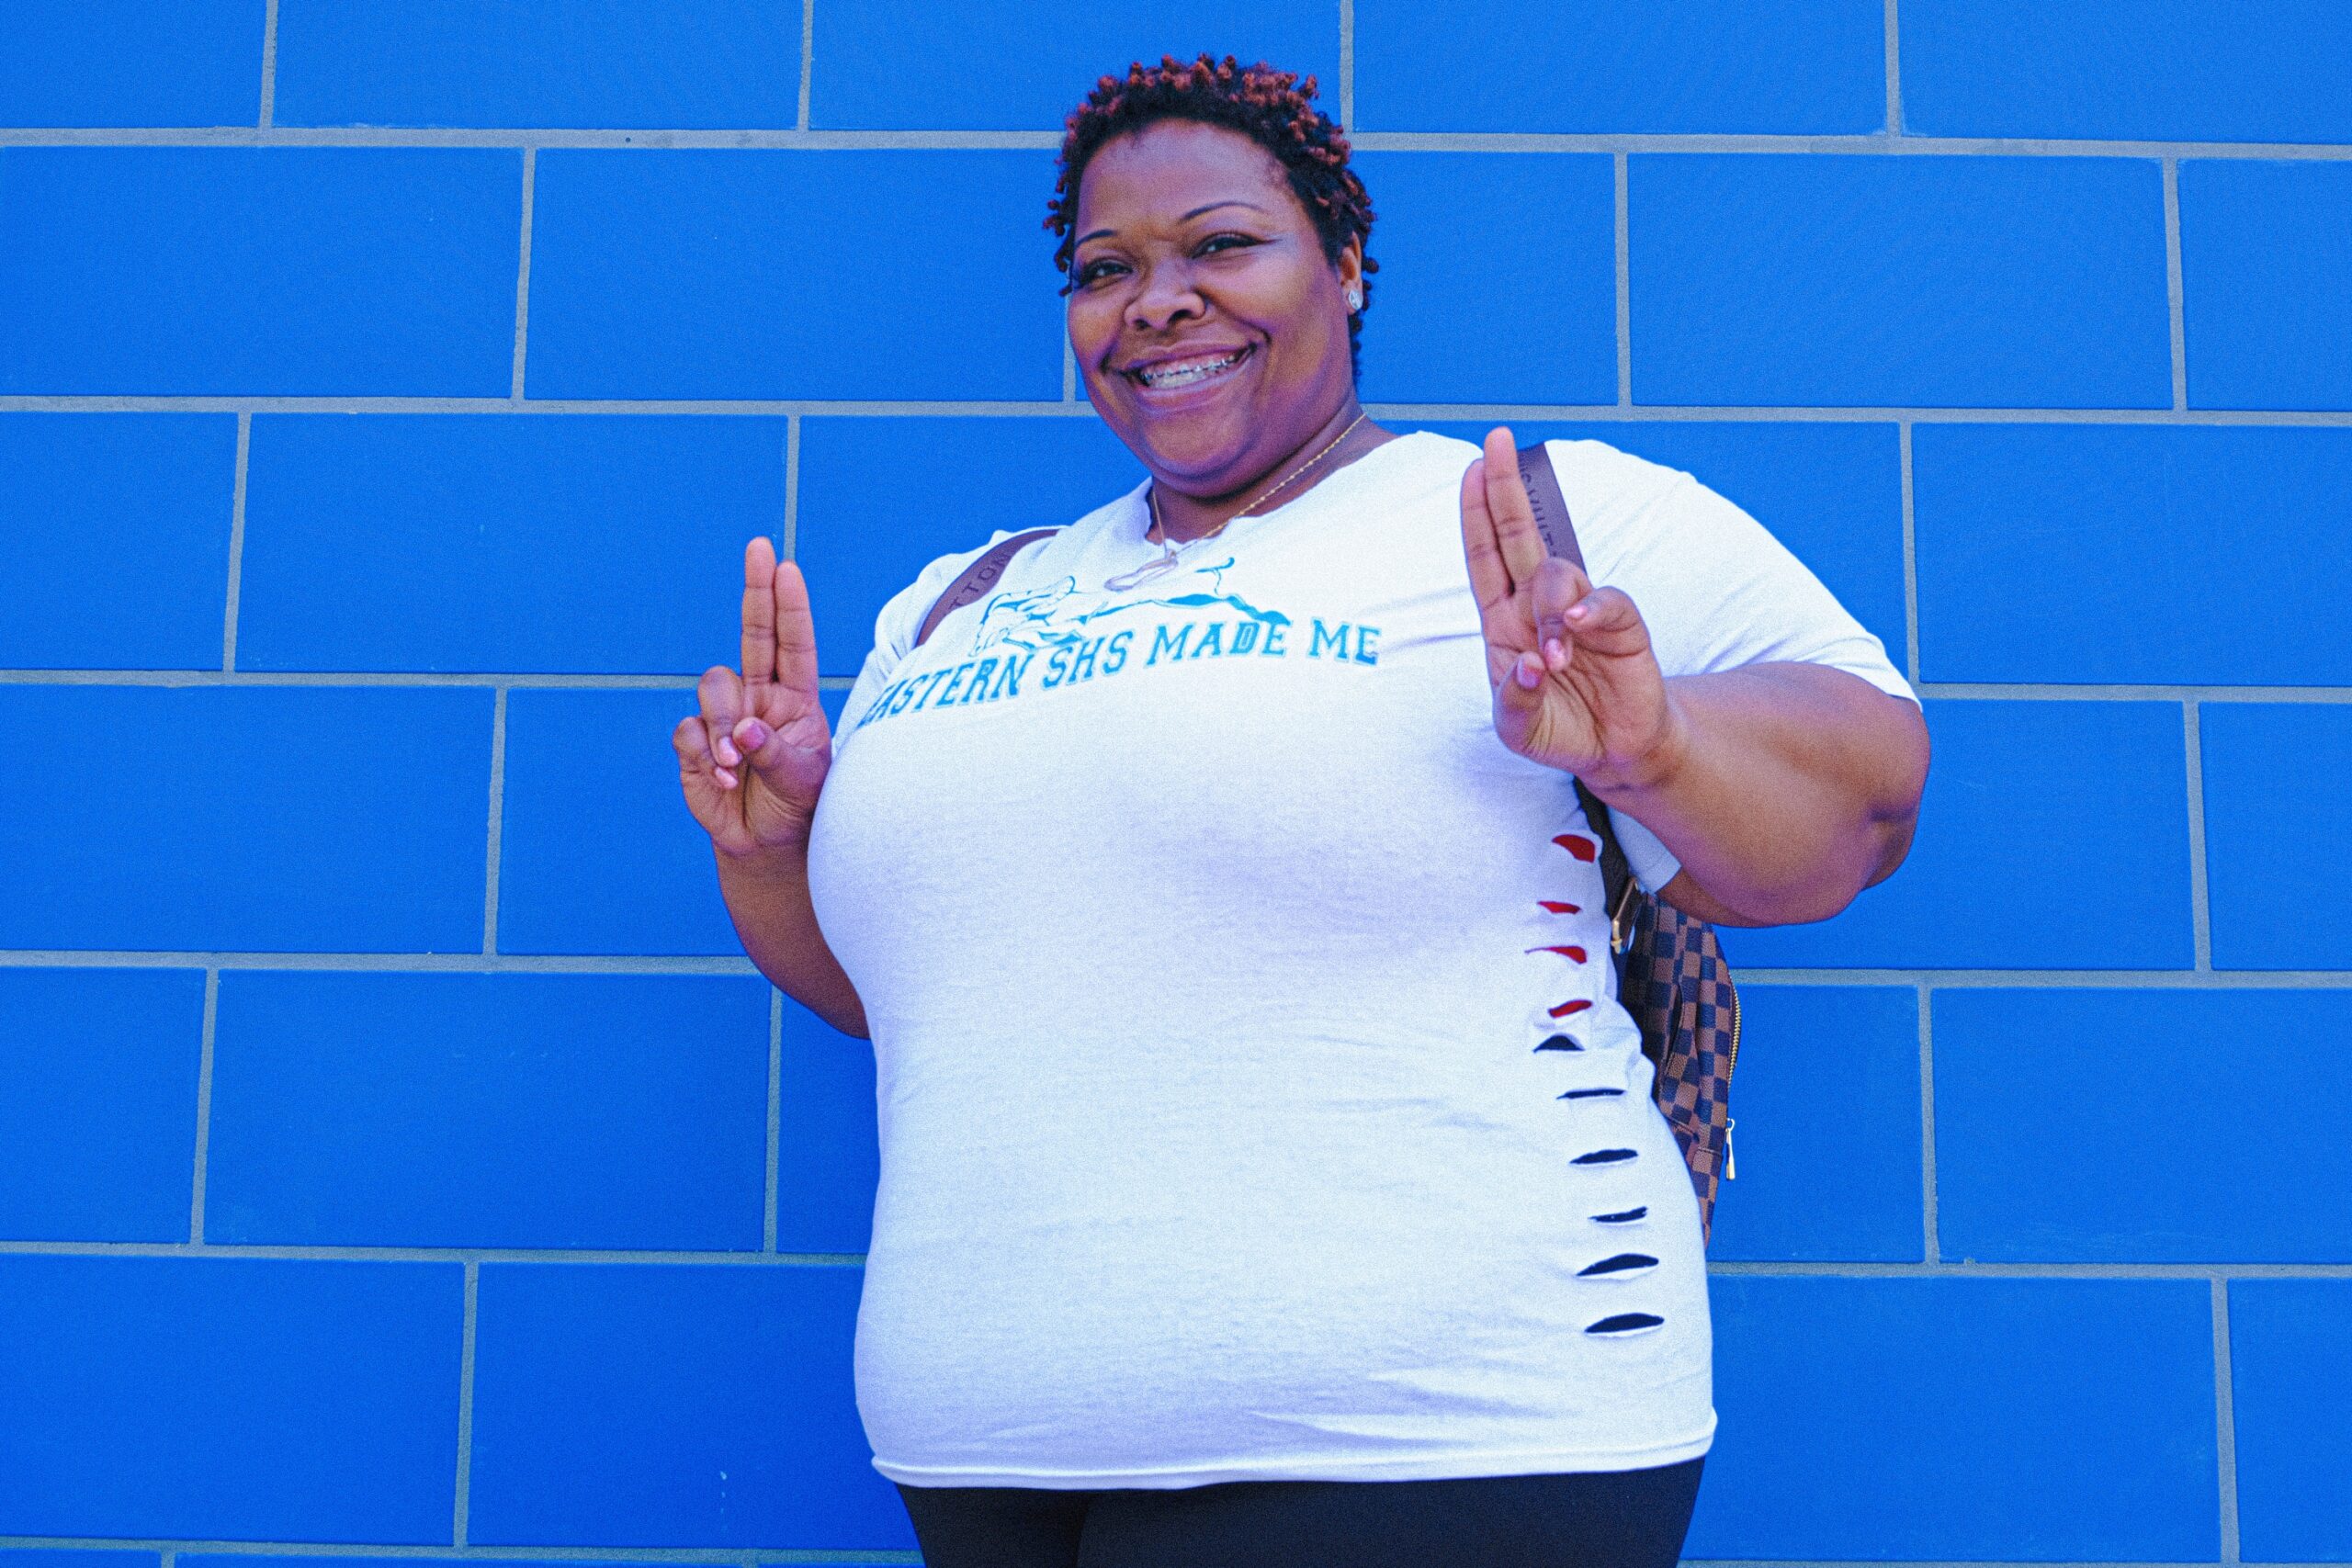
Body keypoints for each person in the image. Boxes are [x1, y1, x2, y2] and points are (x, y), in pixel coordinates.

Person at [674, 54, 1929, 1568]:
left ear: (1344, 266)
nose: (1156, 300)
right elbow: (917, 1001)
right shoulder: (963, 601)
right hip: (989, 1459)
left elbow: (1866, 810)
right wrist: (767, 855)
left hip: (1444, 1441)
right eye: (1104, 268)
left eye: (1220, 245)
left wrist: (1652, 746)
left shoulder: (1533, 515)